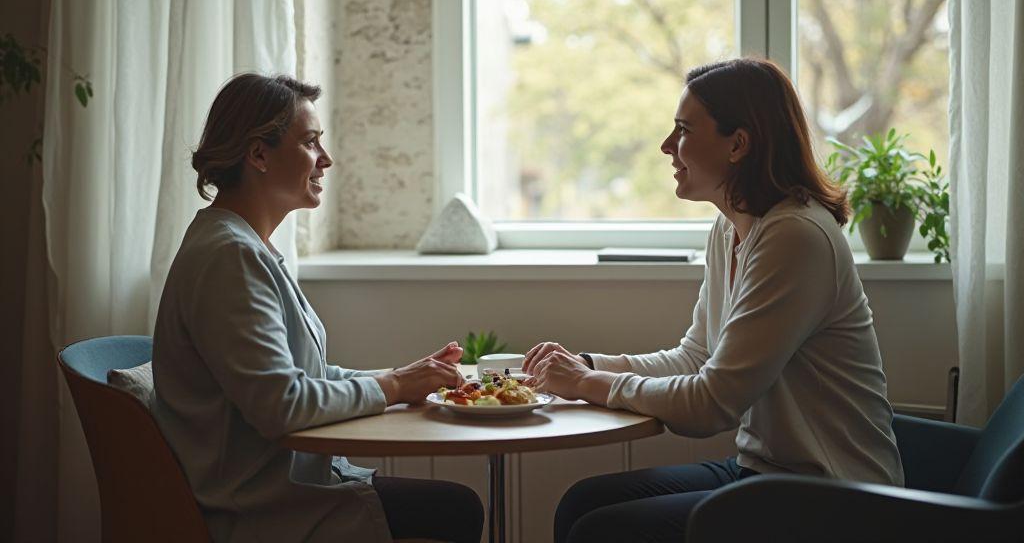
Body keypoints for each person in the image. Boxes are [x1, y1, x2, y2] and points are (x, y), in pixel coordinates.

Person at [523, 58, 905, 543]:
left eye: (683, 129)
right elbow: (697, 356)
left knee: (604, 531)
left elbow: (711, 405)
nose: (667, 146)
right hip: (764, 473)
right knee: (583, 502)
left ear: (738, 144)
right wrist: (586, 364)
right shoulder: (731, 226)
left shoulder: (796, 236)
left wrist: (591, 383)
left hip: (833, 498)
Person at [151, 73, 483, 543]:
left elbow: (302, 377)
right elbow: (282, 405)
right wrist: (392, 386)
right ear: (259, 154)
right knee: (455, 510)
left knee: (453, 506)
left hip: (282, 490)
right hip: (261, 510)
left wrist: (403, 376)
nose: (325, 159)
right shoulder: (230, 256)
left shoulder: (242, 245)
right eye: (310, 143)